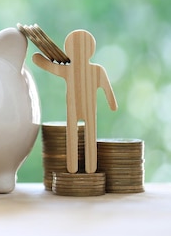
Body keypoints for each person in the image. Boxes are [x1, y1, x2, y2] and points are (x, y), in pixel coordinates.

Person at [33, 29, 118, 173]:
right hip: (80, 109)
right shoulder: (95, 70)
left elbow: (52, 67)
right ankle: (80, 168)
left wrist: (39, 60)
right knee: (82, 135)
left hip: (81, 109)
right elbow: (108, 91)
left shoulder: (93, 70)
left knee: (82, 134)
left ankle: (86, 168)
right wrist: (112, 104)